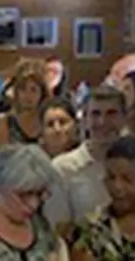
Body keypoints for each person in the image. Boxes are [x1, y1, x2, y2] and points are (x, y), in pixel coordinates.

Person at [46, 84, 130, 232]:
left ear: (124, 118)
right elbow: (58, 229)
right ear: (84, 120)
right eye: (95, 114)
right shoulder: (62, 168)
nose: (103, 122)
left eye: (111, 114)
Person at [0, 59, 50, 148]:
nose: (28, 95)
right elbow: (3, 155)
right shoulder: (4, 123)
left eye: (33, 90)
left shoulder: (49, 123)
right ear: (17, 91)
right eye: (23, 89)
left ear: (42, 93)